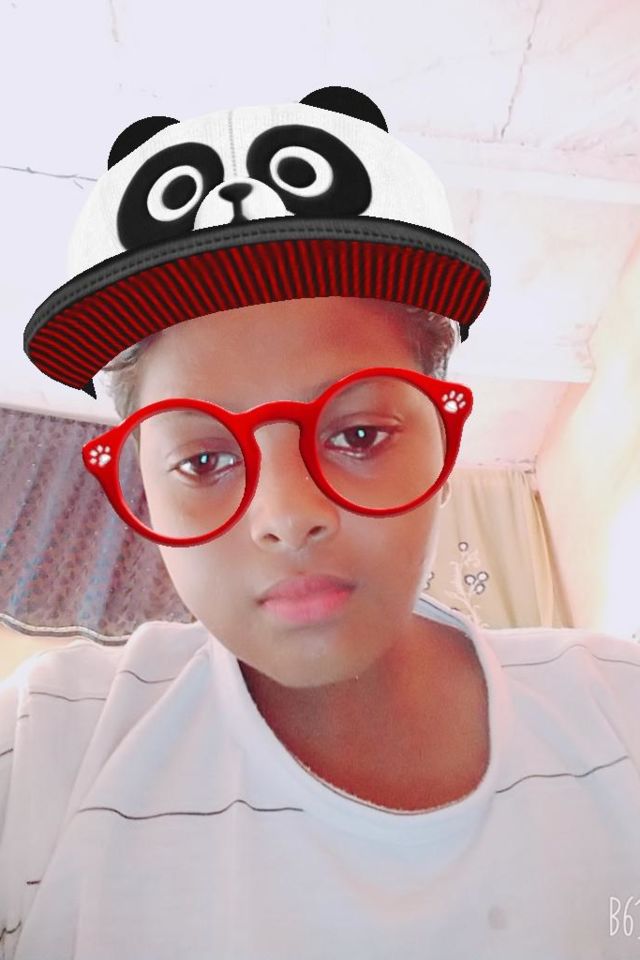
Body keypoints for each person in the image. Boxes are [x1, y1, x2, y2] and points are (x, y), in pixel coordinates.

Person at [2, 87, 639, 959]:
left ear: (444, 439)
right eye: (205, 461)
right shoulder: (45, 748)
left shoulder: (619, 708)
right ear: (145, 485)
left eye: (358, 435)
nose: (288, 516)